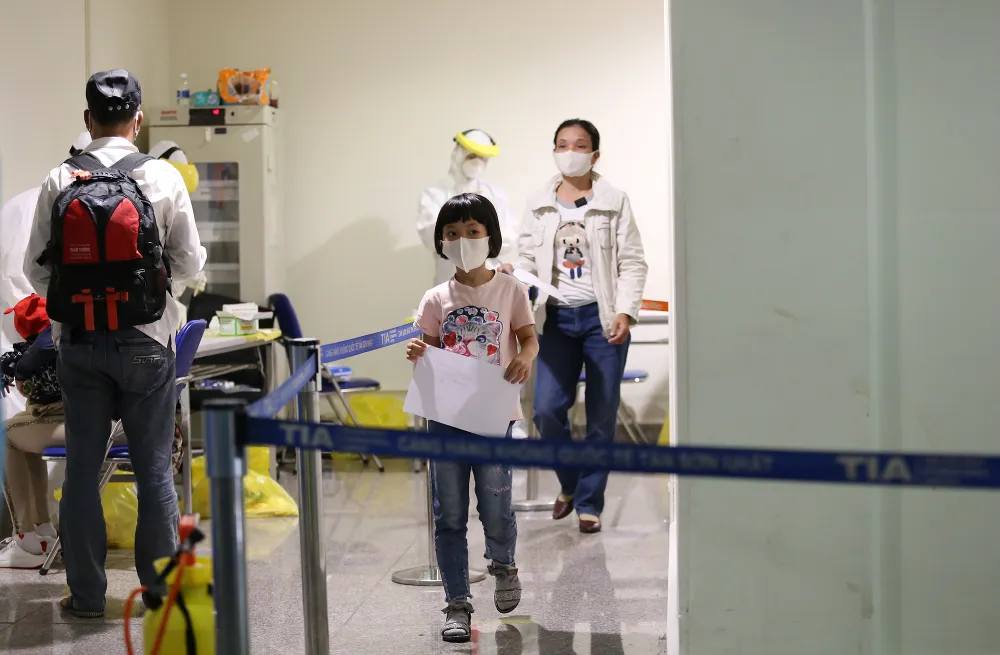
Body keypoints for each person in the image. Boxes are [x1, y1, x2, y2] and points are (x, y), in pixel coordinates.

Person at [24, 69, 206, 618]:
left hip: (80, 343)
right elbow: (190, 263)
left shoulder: (60, 178)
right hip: (147, 341)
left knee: (82, 472)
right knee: (154, 472)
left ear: (88, 119)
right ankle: (159, 594)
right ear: (138, 120)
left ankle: (86, 597)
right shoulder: (163, 176)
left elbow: (36, 270)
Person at [406, 193, 538, 643]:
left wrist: (525, 358)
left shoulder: (510, 290)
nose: (462, 240)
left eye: (472, 231)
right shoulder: (435, 297)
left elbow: (528, 338)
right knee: (449, 514)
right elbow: (427, 350)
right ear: (441, 241)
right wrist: (417, 351)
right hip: (445, 417)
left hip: (494, 415)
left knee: (496, 505)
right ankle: (457, 603)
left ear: (490, 236)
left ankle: (503, 564)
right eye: (452, 233)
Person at [509, 119, 648, 534]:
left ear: (595, 155)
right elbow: (527, 255)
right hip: (554, 318)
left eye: (580, 145)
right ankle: (570, 482)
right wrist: (517, 273)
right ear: (554, 151)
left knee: (602, 415)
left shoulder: (614, 201)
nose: (570, 152)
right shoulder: (538, 203)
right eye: (563, 144)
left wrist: (625, 311)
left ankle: (589, 504)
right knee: (547, 410)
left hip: (601, 319)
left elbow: (632, 261)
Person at [1, 133, 91, 423]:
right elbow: (18, 280)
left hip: (48, 343)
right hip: (25, 343)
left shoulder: (67, 203)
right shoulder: (38, 204)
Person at [0, 294, 60, 568]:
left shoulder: (49, 346)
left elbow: (44, 346)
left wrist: (20, 370)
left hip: (76, 425)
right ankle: (42, 528)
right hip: (109, 423)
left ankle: (23, 537)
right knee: (23, 430)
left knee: (5, 435)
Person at [417, 129, 519, 287]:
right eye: (471, 156)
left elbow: (509, 237)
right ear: (458, 154)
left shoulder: (496, 194)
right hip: (449, 282)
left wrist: (465, 241)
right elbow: (432, 237)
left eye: (482, 158)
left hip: (490, 283)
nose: (477, 162)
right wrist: (479, 238)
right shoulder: (435, 193)